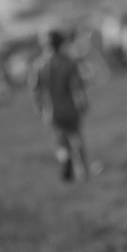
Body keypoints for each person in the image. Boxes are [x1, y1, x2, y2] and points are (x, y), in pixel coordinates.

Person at [30, 29, 90, 182]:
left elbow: (35, 90)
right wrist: (82, 101)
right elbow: (76, 86)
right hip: (70, 108)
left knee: (60, 141)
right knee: (76, 138)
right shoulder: (68, 62)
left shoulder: (39, 65)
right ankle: (82, 172)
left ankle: (65, 157)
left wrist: (39, 108)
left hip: (51, 111)